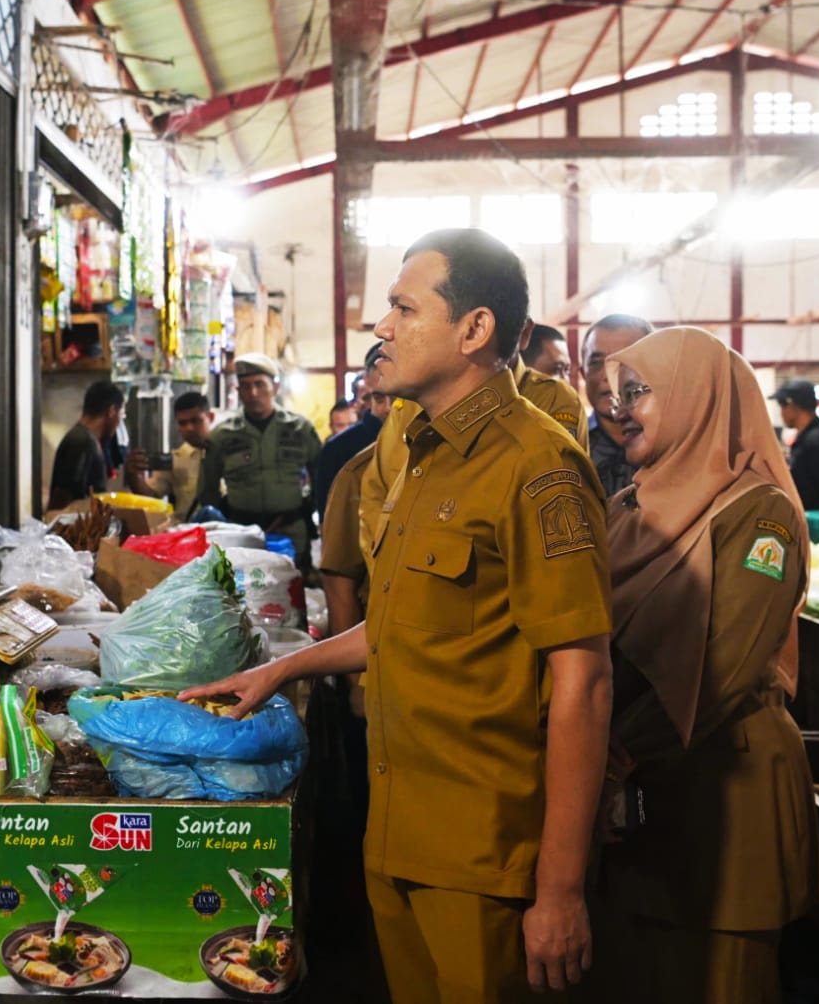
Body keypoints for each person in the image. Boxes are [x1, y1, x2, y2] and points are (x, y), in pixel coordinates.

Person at [188, 229, 611, 1002]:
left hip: (481, 848)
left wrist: (559, 891)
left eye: (402, 307)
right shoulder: (419, 451)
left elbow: (582, 682)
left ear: (474, 330)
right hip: (399, 827)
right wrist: (276, 670)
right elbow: (402, 624)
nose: (381, 327)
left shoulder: (537, 466)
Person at [589, 327, 819, 1004]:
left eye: (637, 392)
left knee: (718, 981)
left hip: (724, 786)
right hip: (636, 791)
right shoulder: (628, 509)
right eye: (613, 394)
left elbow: (726, 666)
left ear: (698, 397)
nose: (618, 409)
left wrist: (607, 752)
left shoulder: (759, 515)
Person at [358, 317, 589, 566]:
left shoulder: (550, 401)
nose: (385, 327)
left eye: (407, 310)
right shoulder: (412, 405)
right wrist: (389, 574)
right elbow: (376, 495)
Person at [199, 353, 323, 564]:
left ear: (274, 388)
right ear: (238, 391)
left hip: (290, 533)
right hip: (240, 534)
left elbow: (321, 480)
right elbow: (207, 491)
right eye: (245, 386)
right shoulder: (223, 436)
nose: (253, 393)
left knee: (292, 591)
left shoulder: (300, 429)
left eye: (259, 384)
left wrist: (305, 507)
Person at [580, 315, 654, 498]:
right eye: (596, 363)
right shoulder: (571, 447)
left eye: (624, 362)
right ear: (583, 373)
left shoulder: (673, 445)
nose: (608, 375)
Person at [315, 344, 392, 522]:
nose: (388, 408)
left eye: (398, 396)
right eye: (379, 398)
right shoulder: (337, 450)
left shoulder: (425, 443)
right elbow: (329, 522)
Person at [125, 391, 215, 520]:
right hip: (187, 533)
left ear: (210, 417)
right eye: (183, 423)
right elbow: (151, 497)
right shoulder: (176, 459)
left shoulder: (231, 451)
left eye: (195, 421)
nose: (189, 428)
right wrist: (133, 476)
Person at [48, 380, 124, 511]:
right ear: (111, 411)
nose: (119, 424)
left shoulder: (87, 439)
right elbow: (61, 498)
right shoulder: (81, 441)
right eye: (121, 415)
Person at [774, 379, 819, 511]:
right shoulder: (806, 439)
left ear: (793, 406)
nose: (782, 413)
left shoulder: (817, 440)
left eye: (783, 406)